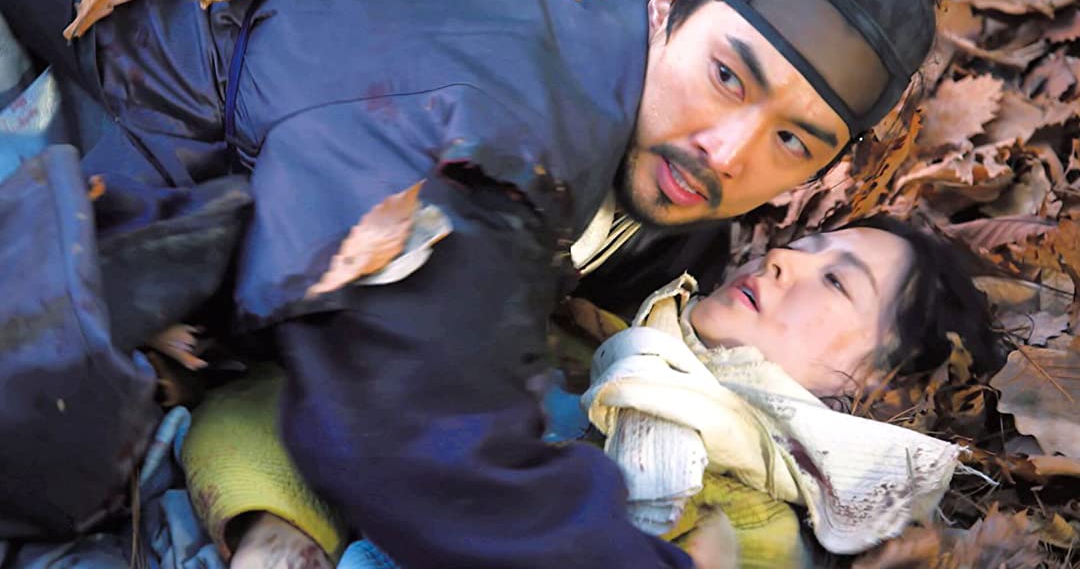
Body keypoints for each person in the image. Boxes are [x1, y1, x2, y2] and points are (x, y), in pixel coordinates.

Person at [0, 0, 937, 566]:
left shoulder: (658, 171)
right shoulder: (505, 125)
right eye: (729, 76)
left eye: (792, 142)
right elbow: (408, 442)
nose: (729, 152)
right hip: (92, 95)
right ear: (667, 3)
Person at [179, 216, 999, 568]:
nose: (783, 259)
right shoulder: (582, 348)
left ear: (882, 392)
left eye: (837, 281)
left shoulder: (759, 532)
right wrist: (274, 530)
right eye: (806, 243)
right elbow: (292, 393)